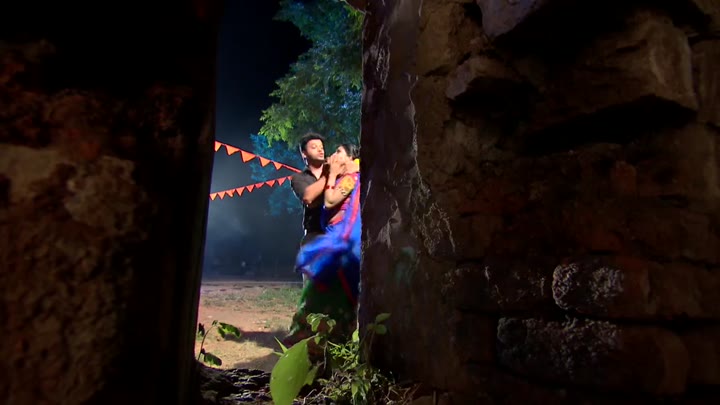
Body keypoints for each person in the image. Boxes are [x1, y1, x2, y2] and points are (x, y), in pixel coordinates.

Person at [283, 143, 361, 347]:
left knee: (325, 288)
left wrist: (332, 175)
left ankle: (320, 338)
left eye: (339, 152)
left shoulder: (351, 179)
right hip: (334, 238)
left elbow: (330, 201)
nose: (333, 155)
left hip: (340, 244)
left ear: (350, 158)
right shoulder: (348, 178)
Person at [290, 133, 329, 281]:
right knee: (312, 287)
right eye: (314, 147)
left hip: (340, 233)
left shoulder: (340, 174)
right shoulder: (299, 178)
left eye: (322, 147)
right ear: (304, 153)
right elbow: (309, 199)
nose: (320, 150)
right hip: (314, 235)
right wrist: (329, 175)